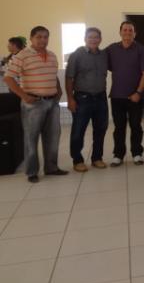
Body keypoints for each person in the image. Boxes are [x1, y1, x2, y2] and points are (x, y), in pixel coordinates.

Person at [3, 26, 68, 182]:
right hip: (33, 103)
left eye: (45, 37)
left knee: (53, 137)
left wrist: (58, 91)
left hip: (52, 102)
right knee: (31, 139)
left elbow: (53, 75)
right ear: (31, 38)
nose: (42, 40)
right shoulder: (22, 55)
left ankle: (51, 168)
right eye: (39, 37)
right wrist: (23, 96)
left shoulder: (52, 56)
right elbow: (8, 78)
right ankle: (32, 172)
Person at [106, 21, 144, 167]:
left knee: (136, 126)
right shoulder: (111, 49)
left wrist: (138, 92)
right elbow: (103, 63)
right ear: (120, 32)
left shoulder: (141, 49)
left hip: (135, 96)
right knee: (119, 127)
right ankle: (118, 155)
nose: (127, 33)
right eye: (125, 30)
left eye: (130, 30)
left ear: (134, 33)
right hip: (117, 96)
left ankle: (137, 153)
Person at [65, 27, 109, 172]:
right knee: (78, 130)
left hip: (101, 97)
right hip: (82, 98)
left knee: (101, 129)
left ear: (100, 39)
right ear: (85, 39)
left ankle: (97, 158)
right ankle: (77, 160)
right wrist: (70, 99)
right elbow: (69, 78)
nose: (93, 40)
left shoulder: (104, 55)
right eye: (90, 37)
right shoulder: (77, 55)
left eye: (96, 37)